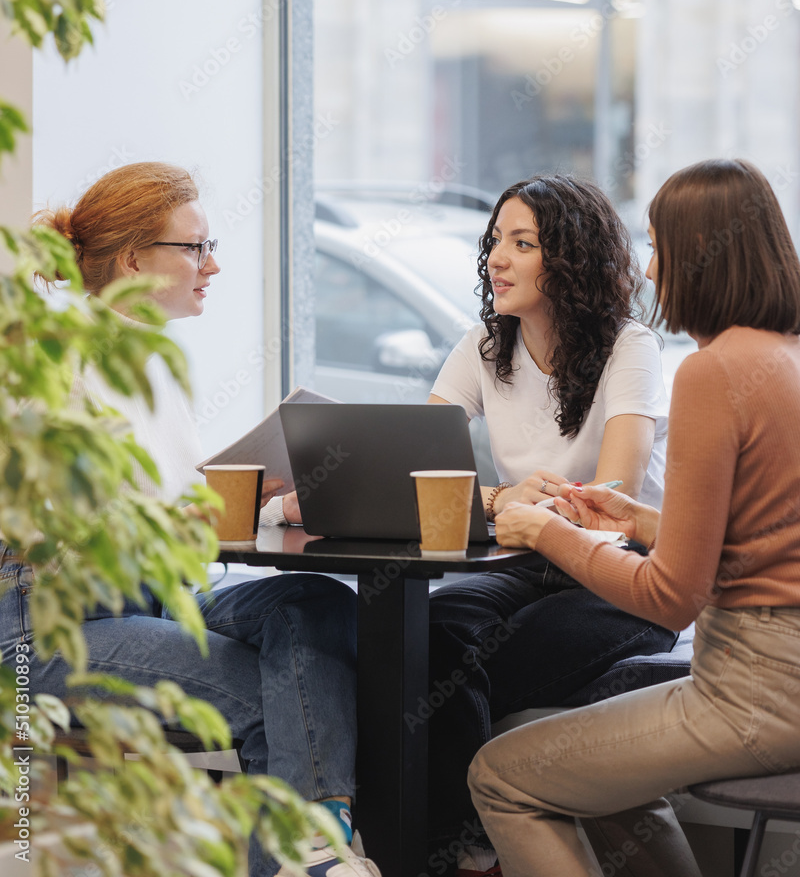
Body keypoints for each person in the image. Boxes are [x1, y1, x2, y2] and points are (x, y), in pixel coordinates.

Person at [0, 162, 379, 877]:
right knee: (280, 699)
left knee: (314, 602)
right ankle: (313, 857)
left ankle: (316, 837)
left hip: (141, 599)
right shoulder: (63, 348)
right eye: (195, 248)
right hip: (46, 629)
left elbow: (173, 511)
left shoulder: (144, 356)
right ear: (135, 259)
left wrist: (268, 504)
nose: (214, 265)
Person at [468, 158, 800, 877]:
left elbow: (670, 596)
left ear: (705, 258)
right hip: (784, 682)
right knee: (598, 782)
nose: (649, 271)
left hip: (755, 693)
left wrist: (548, 532)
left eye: (660, 248)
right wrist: (639, 520)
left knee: (501, 776)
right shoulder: (784, 360)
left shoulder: (713, 372)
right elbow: (762, 544)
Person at [424, 175, 677, 876]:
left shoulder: (631, 348)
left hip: (618, 570)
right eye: (495, 242)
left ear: (568, 259)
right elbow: (418, 474)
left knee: (472, 671)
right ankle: (465, 852)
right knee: (432, 638)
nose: (495, 260)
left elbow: (613, 490)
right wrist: (502, 500)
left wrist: (520, 507)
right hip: (527, 566)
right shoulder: (481, 348)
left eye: (522, 243)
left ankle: (469, 848)